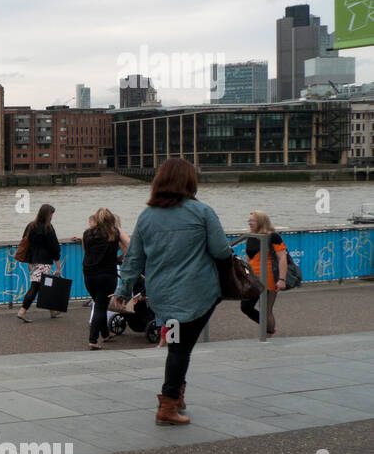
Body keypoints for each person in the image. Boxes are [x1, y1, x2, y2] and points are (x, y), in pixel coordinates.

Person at [112, 157, 232, 426]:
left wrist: (123, 289)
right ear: (190, 182)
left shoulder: (147, 216)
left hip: (162, 296)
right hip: (198, 294)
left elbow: (133, 259)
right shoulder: (202, 213)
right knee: (180, 349)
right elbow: (221, 251)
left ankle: (175, 394)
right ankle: (168, 404)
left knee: (177, 345)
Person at [81, 208, 130, 349]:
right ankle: (93, 340)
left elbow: (86, 252)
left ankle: (105, 334)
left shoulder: (87, 233)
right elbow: (130, 245)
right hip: (107, 274)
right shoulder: (115, 232)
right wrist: (119, 258)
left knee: (98, 302)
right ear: (111, 219)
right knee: (101, 306)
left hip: (89, 274)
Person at [239, 211, 288, 336]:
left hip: (269, 278)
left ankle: (268, 333)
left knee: (266, 309)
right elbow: (249, 259)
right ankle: (268, 328)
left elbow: (282, 258)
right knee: (246, 307)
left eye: (252, 221)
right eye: (249, 221)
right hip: (253, 278)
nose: (249, 223)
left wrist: (282, 279)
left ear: (261, 221)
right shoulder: (251, 236)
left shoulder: (273, 236)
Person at [16, 203, 63, 321]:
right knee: (36, 287)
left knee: (45, 286)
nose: (52, 217)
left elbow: (24, 241)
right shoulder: (48, 228)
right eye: (51, 214)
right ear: (47, 215)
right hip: (44, 262)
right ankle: (22, 311)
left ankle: (52, 311)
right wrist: (58, 266)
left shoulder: (30, 226)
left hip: (32, 261)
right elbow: (55, 248)